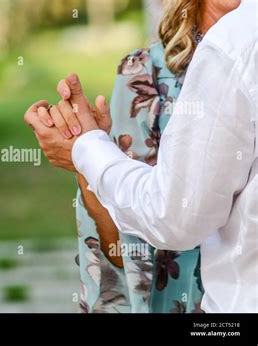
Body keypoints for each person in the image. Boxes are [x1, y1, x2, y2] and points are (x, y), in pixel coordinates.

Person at [25, 0, 257, 312]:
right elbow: (125, 251)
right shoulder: (144, 78)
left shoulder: (240, 45)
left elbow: (171, 216)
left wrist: (87, 150)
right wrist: (87, 155)